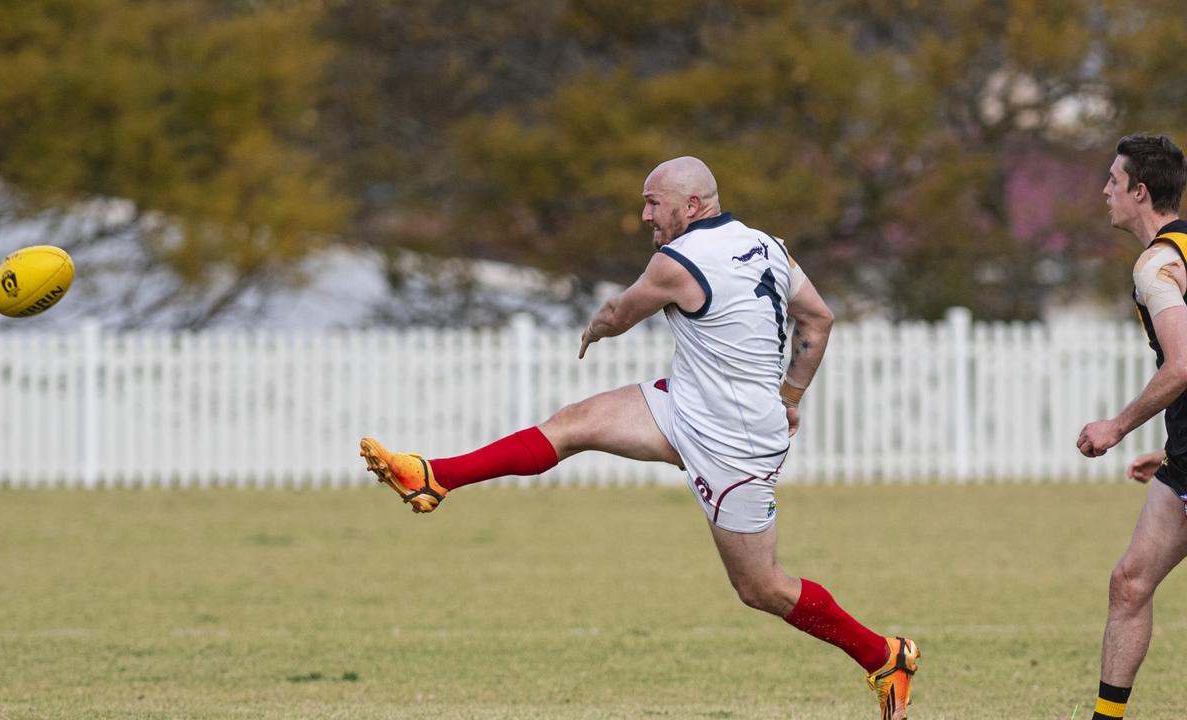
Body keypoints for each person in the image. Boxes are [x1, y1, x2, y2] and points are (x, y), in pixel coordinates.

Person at [360, 156, 919, 719]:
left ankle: (885, 655)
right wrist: (790, 396)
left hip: (735, 442)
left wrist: (597, 327)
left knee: (761, 588)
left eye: (654, 203)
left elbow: (619, 312)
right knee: (575, 423)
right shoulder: (768, 245)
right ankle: (433, 476)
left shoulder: (676, 262)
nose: (646, 215)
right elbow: (817, 318)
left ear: (692, 205)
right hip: (691, 405)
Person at [1076, 133, 1187, 720]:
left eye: (1114, 182)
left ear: (1140, 192)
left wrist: (1117, 427)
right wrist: (1168, 450)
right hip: (1185, 462)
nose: (1105, 192)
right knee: (1130, 582)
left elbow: (1182, 363)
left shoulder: (1157, 265)